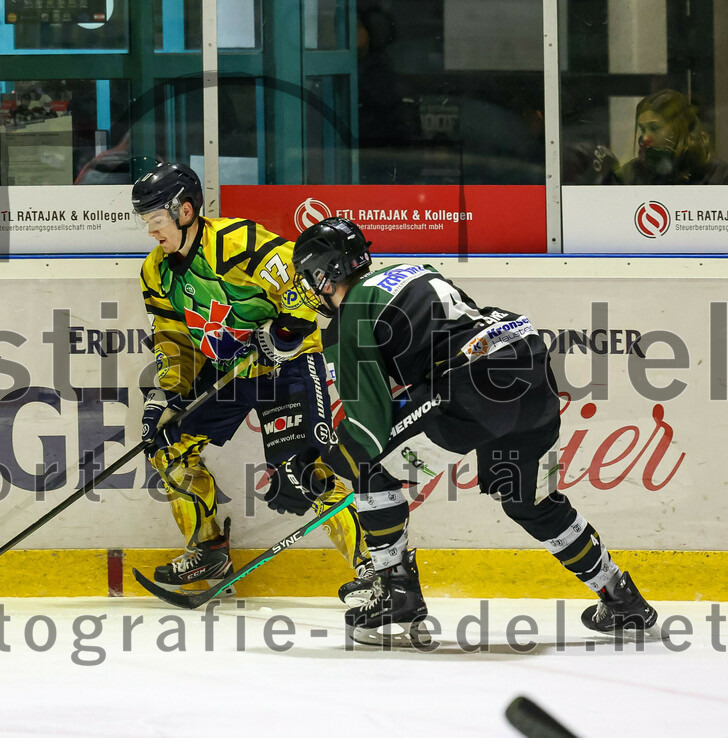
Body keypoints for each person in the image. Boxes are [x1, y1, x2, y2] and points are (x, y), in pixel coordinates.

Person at [279, 216, 659, 646]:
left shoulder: (352, 313)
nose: (311, 289)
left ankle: (396, 591)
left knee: (367, 465)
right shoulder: (413, 271)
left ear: (325, 274)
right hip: (527, 364)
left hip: (472, 384)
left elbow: (367, 429)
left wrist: (317, 466)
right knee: (524, 498)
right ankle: (621, 595)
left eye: (311, 277)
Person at [132, 162, 373, 604]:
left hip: (288, 366)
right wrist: (163, 397)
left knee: (308, 470)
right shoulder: (155, 272)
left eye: (156, 220)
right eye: (145, 222)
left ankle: (375, 568)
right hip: (229, 372)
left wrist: (282, 334)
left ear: (184, 211)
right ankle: (207, 550)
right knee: (169, 447)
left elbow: (303, 280)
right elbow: (173, 342)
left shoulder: (237, 241)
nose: (151, 232)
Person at [616, 88, 728, 185]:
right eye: (643, 129)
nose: (645, 138)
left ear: (680, 128)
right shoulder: (631, 175)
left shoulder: (718, 176)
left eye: (654, 128)